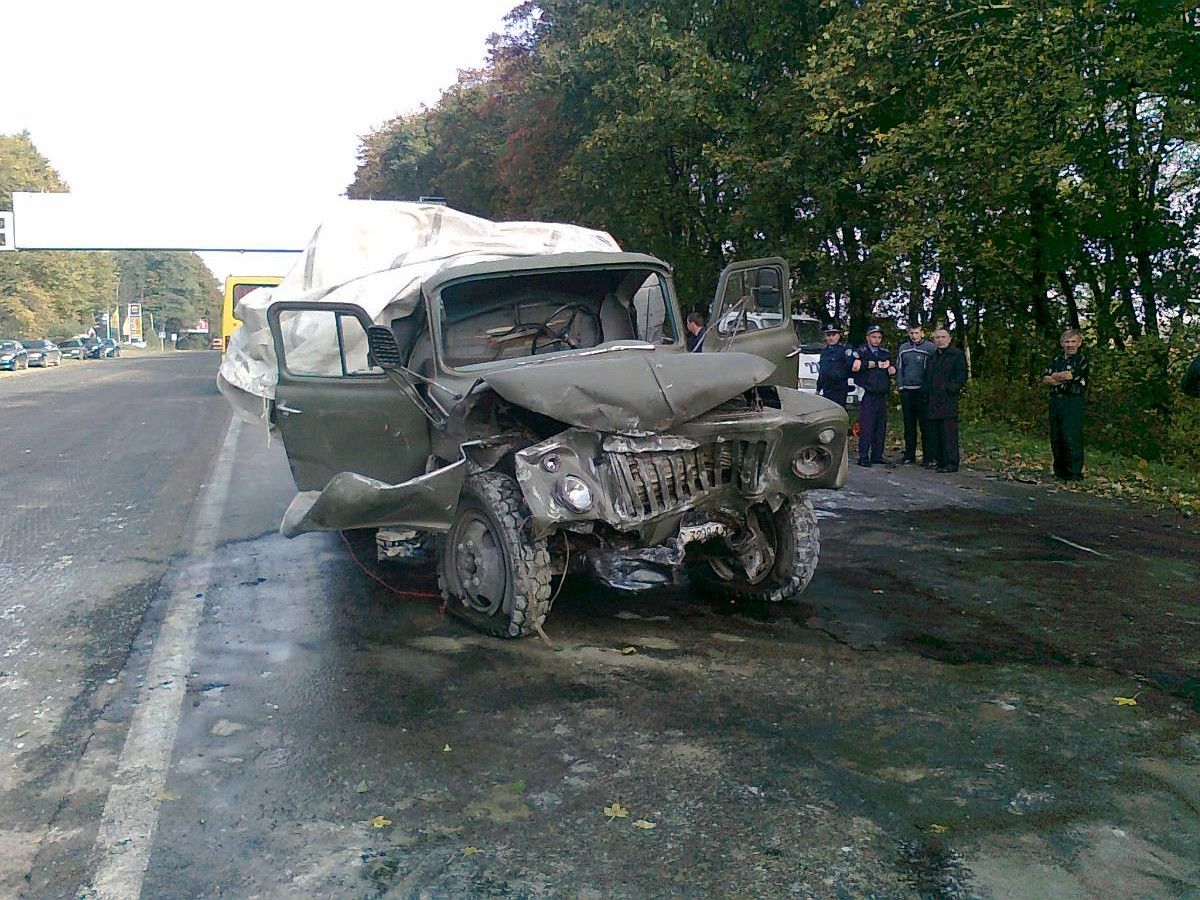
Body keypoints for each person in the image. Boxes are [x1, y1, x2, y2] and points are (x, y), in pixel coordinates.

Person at [1042, 328, 1089, 481]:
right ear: (1062, 343)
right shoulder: (1056, 360)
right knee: (1057, 436)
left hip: (1073, 401)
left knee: (1072, 435)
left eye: (1073, 341)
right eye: (1067, 341)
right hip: (1056, 401)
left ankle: (1074, 473)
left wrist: (1058, 377)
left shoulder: (1081, 360)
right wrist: (1060, 378)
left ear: (1079, 343)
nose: (1070, 345)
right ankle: (1059, 471)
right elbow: (1046, 378)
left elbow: (1070, 375)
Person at [923, 328, 969, 473]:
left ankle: (951, 463)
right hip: (933, 400)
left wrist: (950, 388)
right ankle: (940, 460)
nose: (940, 340)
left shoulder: (957, 355)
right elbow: (927, 376)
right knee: (935, 433)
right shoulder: (932, 357)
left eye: (943, 337)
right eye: (937, 337)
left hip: (948, 400)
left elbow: (962, 376)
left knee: (948, 433)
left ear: (949, 339)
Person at [851, 325, 895, 467]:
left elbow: (892, 367)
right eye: (874, 337)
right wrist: (871, 364)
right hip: (867, 392)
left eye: (879, 337)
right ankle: (863, 456)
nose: (876, 340)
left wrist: (892, 369)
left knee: (880, 426)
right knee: (867, 425)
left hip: (881, 393)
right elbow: (854, 367)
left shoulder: (884, 352)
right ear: (868, 337)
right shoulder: (860, 352)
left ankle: (877, 454)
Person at [896, 323, 935, 465]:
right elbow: (899, 368)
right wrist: (900, 387)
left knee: (925, 425)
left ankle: (928, 457)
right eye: (912, 333)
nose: (914, 336)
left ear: (922, 333)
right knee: (909, 426)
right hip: (907, 391)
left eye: (917, 333)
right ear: (908, 333)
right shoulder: (903, 348)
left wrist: (928, 389)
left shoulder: (930, 348)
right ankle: (909, 455)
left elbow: (933, 370)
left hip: (922, 391)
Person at [815, 323, 855, 407]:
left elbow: (850, 366)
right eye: (828, 335)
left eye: (833, 335)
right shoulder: (824, 351)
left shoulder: (845, 349)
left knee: (838, 412)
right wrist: (818, 389)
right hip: (827, 388)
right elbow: (822, 372)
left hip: (839, 388)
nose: (831, 338)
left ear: (839, 336)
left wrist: (841, 376)